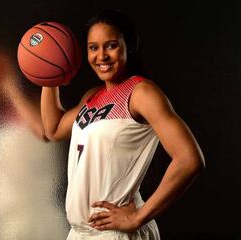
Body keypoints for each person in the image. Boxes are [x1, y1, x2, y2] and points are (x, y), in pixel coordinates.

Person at [40, 9, 205, 240]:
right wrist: (50, 73)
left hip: (115, 233)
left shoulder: (142, 93)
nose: (101, 56)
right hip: (80, 233)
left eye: (111, 46)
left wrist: (138, 217)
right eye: (93, 48)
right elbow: (54, 129)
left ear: (129, 46)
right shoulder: (92, 96)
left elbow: (189, 159)